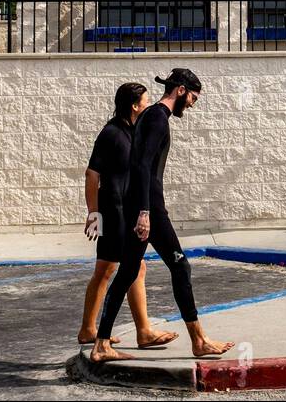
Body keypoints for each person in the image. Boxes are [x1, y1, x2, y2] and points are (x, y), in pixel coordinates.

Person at [90, 68, 234, 363]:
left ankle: (101, 344)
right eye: (193, 97)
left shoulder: (150, 116)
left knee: (128, 272)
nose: (193, 103)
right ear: (180, 90)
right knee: (180, 268)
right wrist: (145, 213)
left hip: (140, 206)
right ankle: (199, 341)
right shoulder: (156, 117)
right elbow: (142, 166)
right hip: (150, 209)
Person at [77, 83, 178, 349]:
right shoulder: (112, 133)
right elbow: (92, 175)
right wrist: (93, 213)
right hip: (113, 211)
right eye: (145, 101)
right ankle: (142, 330)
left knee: (110, 269)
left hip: (125, 209)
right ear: (134, 106)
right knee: (121, 268)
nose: (149, 105)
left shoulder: (136, 132)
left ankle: (89, 328)